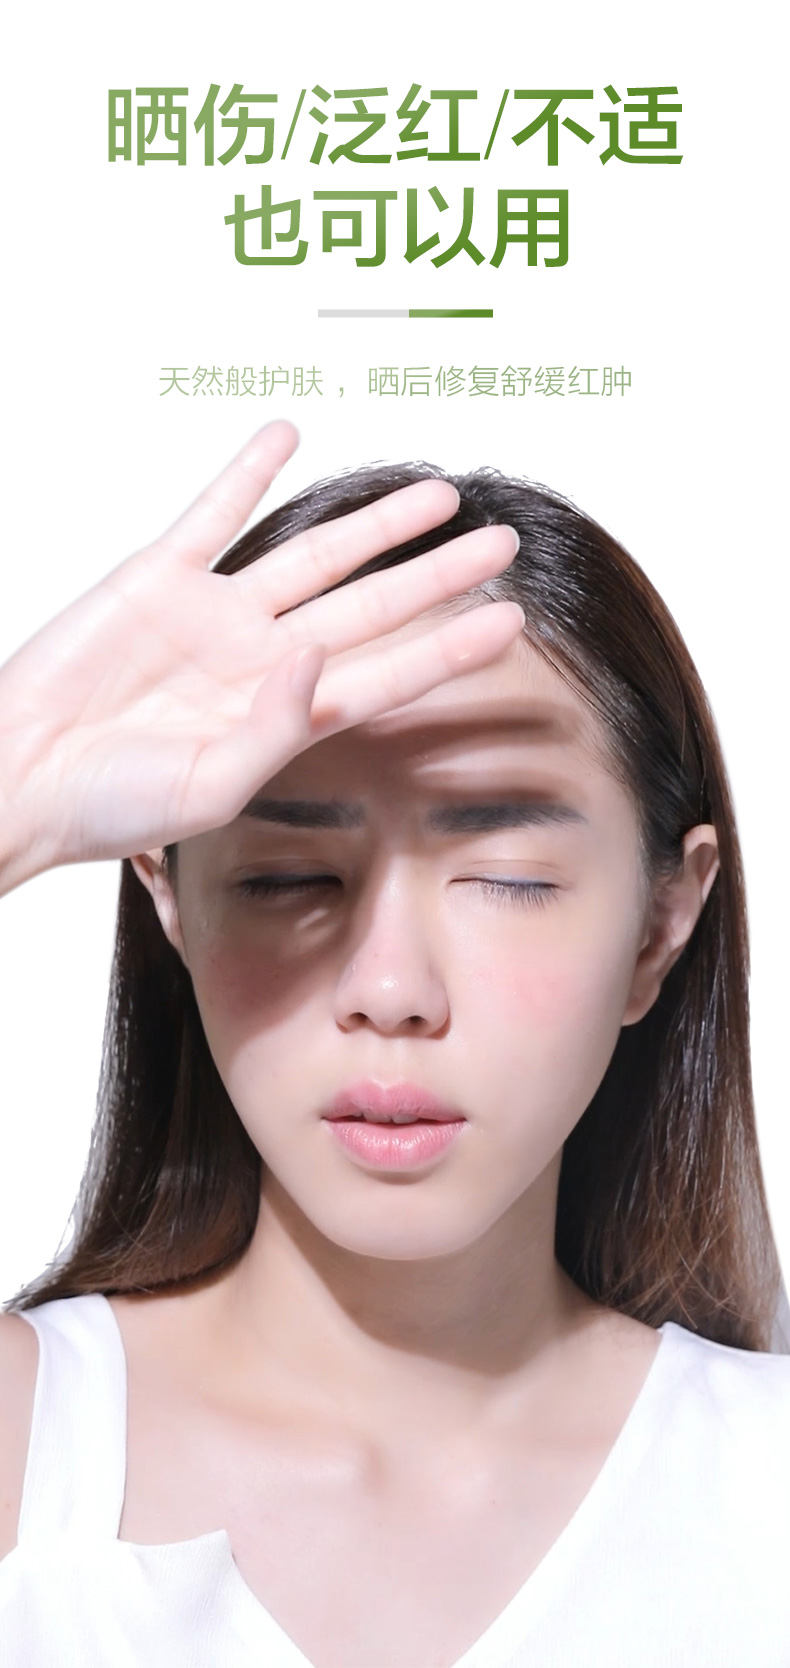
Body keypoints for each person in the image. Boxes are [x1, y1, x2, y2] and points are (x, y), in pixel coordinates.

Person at [0, 420, 788, 1668]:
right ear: (170, 897)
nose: (390, 990)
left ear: (660, 924)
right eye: (287, 877)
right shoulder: (27, 1450)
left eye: (509, 876)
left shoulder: (765, 1486)